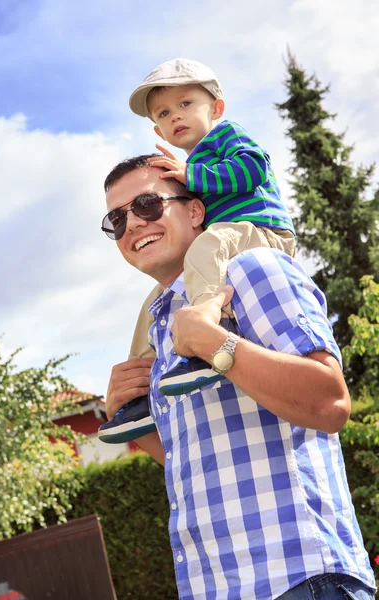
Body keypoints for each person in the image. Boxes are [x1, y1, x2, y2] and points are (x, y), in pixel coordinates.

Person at [99, 154, 376, 599]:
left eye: (148, 204)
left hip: (301, 579)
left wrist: (215, 345)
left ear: (195, 211)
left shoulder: (253, 269)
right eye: (116, 218)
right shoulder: (161, 325)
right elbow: (194, 463)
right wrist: (129, 413)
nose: (131, 224)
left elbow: (330, 403)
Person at [99, 57, 296, 443]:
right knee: (154, 305)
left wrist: (192, 176)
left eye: (186, 104)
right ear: (158, 129)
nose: (176, 116)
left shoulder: (226, 138)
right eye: (165, 112)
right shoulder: (195, 162)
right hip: (228, 236)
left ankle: (208, 331)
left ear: (216, 108)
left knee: (207, 246)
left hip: (261, 230)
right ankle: (138, 404)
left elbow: (254, 169)